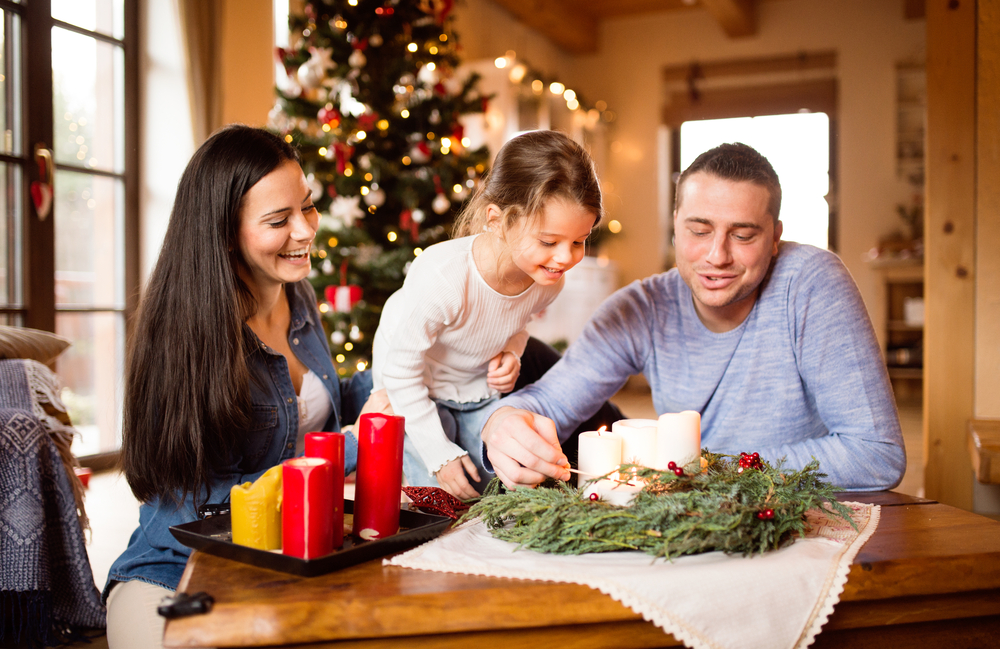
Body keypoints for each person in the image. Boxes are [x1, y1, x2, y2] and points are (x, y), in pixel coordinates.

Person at [479, 142, 906, 492]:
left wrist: (702, 469)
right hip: (682, 501)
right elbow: (548, 402)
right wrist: (502, 422)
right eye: (700, 231)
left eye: (743, 235)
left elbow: (876, 454)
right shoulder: (643, 307)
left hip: (773, 510)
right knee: (533, 359)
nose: (717, 256)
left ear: (775, 237)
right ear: (676, 225)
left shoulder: (812, 283)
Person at [103, 125, 380, 649]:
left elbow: (317, 405)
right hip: (177, 572)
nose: (305, 231)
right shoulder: (187, 330)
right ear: (225, 232)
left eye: (308, 207)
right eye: (278, 220)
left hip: (293, 558)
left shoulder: (296, 298)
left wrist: (403, 369)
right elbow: (207, 503)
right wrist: (348, 450)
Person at [370, 130, 603, 499]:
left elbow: (516, 323)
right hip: (408, 384)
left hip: (473, 388)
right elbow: (400, 371)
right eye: (549, 241)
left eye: (579, 241)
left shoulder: (548, 281)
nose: (565, 258)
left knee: (500, 483)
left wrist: (512, 351)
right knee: (441, 495)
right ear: (497, 220)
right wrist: (437, 454)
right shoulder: (443, 277)